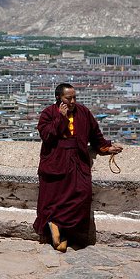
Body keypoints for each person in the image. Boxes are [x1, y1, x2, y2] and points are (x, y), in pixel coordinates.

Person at [33, 83, 123, 252]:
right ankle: (55, 227)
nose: (73, 101)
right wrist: (61, 117)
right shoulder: (48, 113)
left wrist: (104, 147)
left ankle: (60, 227)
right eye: (69, 98)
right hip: (56, 160)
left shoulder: (83, 112)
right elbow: (47, 136)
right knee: (54, 198)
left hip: (78, 159)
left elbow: (94, 133)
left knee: (82, 194)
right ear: (59, 98)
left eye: (74, 97)